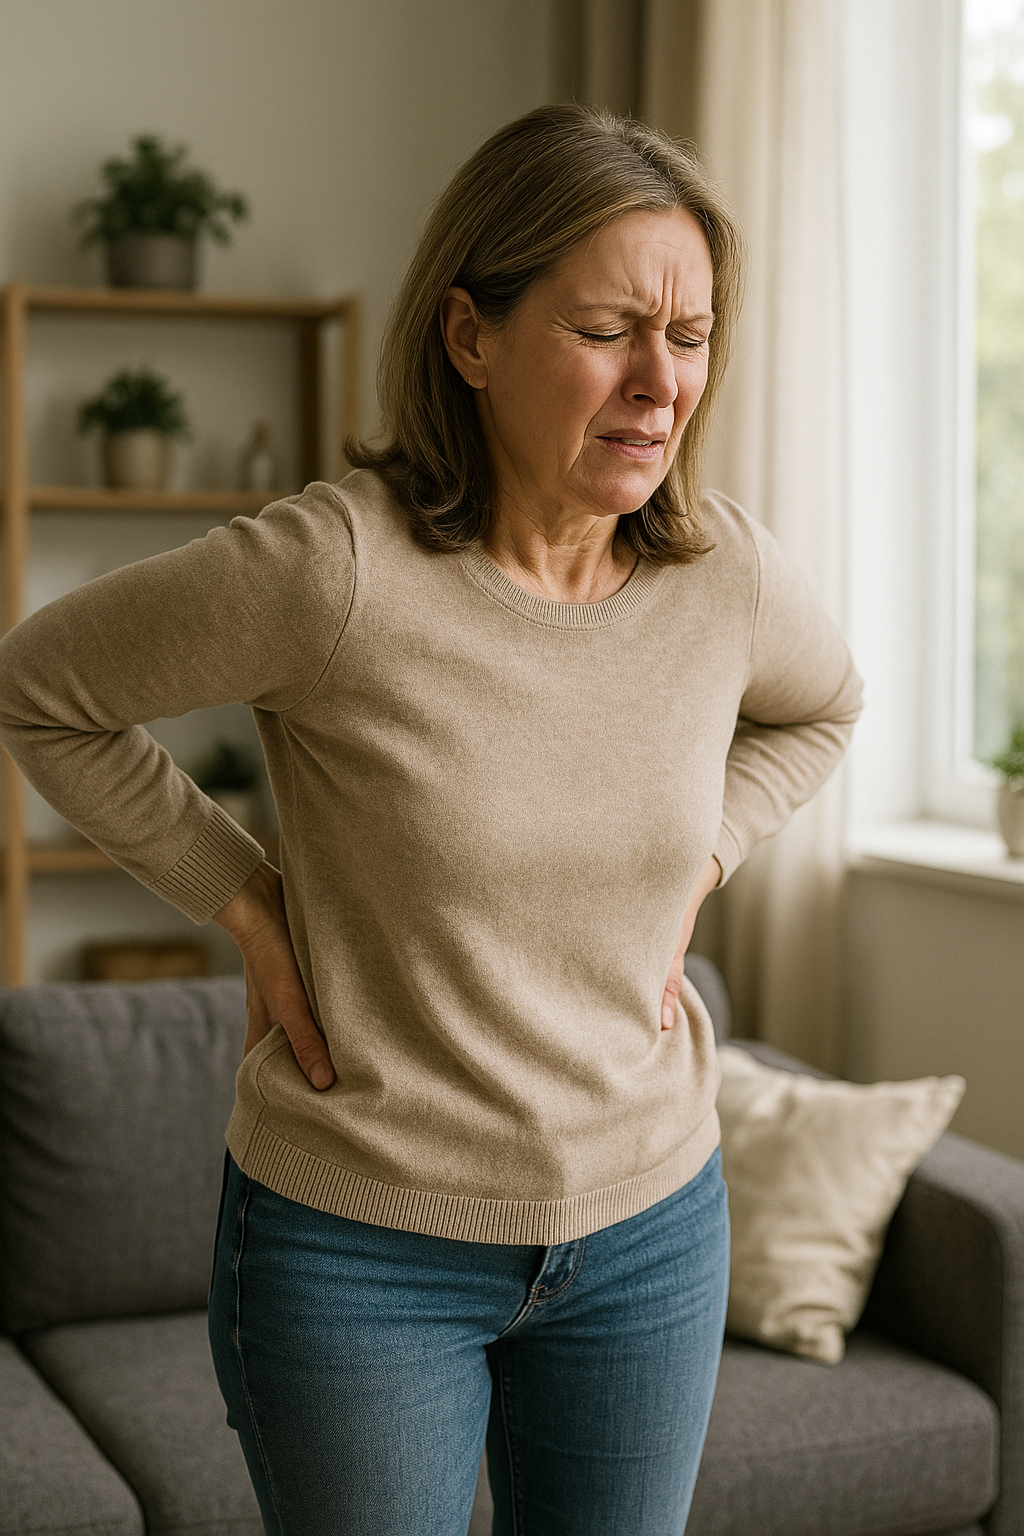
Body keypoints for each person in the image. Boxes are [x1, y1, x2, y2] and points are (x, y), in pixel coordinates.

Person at [0, 104, 862, 1536]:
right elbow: (41, 691)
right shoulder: (334, 573)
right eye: (608, 330)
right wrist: (248, 899)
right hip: (361, 1249)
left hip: (654, 1226)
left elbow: (823, 711)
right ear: (471, 337)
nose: (662, 383)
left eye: (692, 336)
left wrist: (704, 855)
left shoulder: (729, 579)